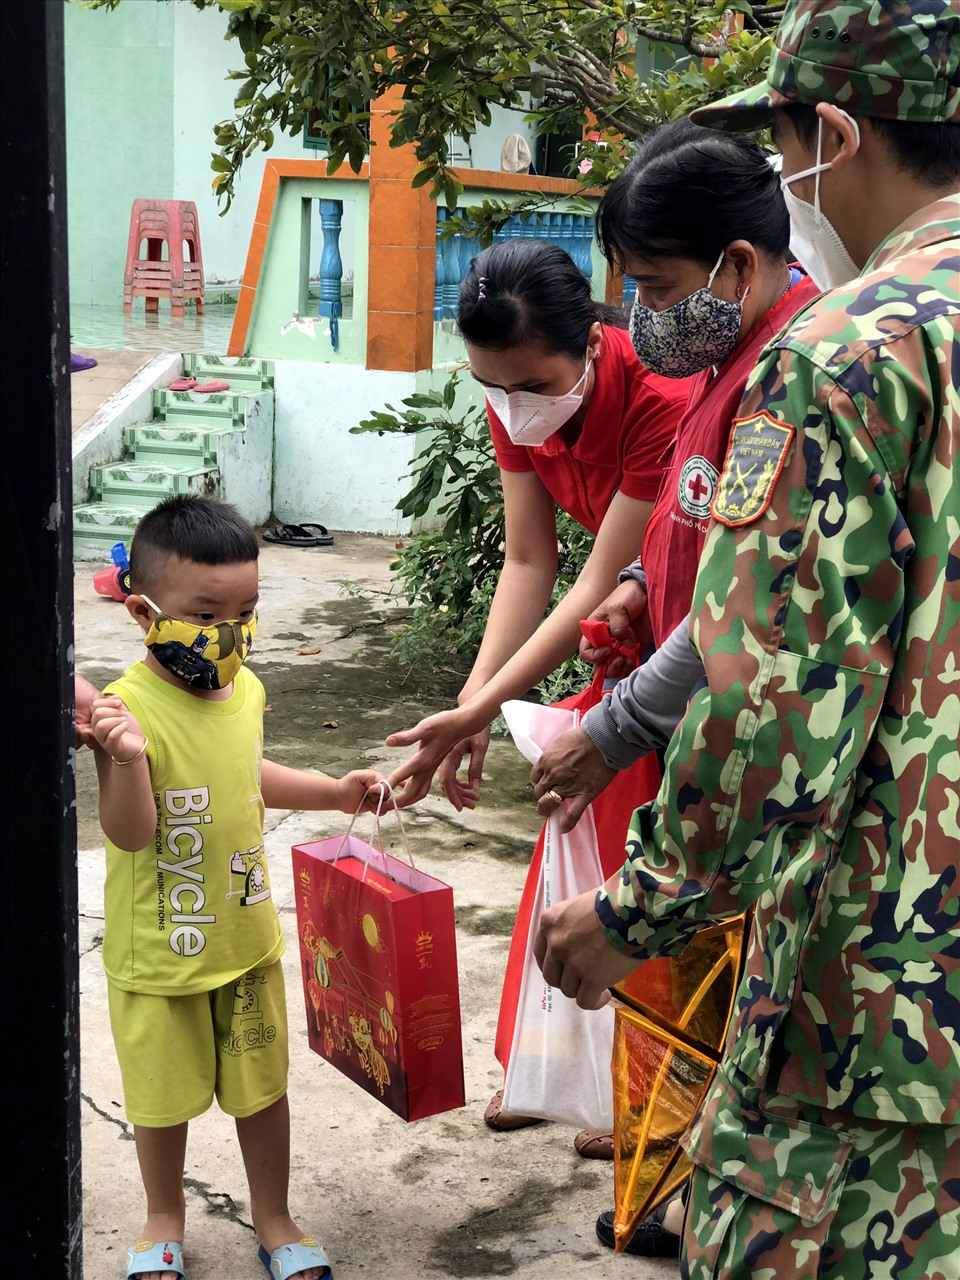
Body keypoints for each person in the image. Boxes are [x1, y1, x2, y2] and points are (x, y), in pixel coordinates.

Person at [534, 0, 960, 1275]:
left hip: (873, 1023)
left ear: (833, 130)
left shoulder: (848, 353)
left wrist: (634, 912)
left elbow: (775, 709)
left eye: (784, 148)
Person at [514, 115, 821, 1249]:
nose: (639, 313)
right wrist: (645, 587)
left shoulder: (792, 374)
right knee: (690, 998)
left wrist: (613, 721)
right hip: (691, 735)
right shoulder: (720, 364)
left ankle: (696, 1202)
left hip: (740, 762)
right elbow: (703, 534)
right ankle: (665, 1193)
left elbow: (748, 608)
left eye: (653, 282)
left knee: (719, 991)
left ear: (735, 268)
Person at [382, 239, 691, 1133]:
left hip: (678, 629)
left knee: (656, 860)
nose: (515, 408)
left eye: (530, 385)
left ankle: (640, 1097)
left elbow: (600, 576)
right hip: (620, 630)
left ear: (593, 340)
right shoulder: (515, 396)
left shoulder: (657, 396)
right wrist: (472, 706)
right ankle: (552, 1066)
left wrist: (476, 710)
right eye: (494, 387)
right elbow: (529, 557)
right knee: (573, 821)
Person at [89, 494, 385, 1280]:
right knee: (159, 1102)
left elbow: (241, 776)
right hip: (161, 954)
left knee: (263, 1091)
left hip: (246, 940)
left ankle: (275, 1216)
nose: (228, 631)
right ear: (141, 608)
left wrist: (334, 791)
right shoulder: (127, 710)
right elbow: (129, 832)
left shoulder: (245, 689)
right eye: (206, 610)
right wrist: (119, 759)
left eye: (246, 609)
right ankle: (162, 1219)